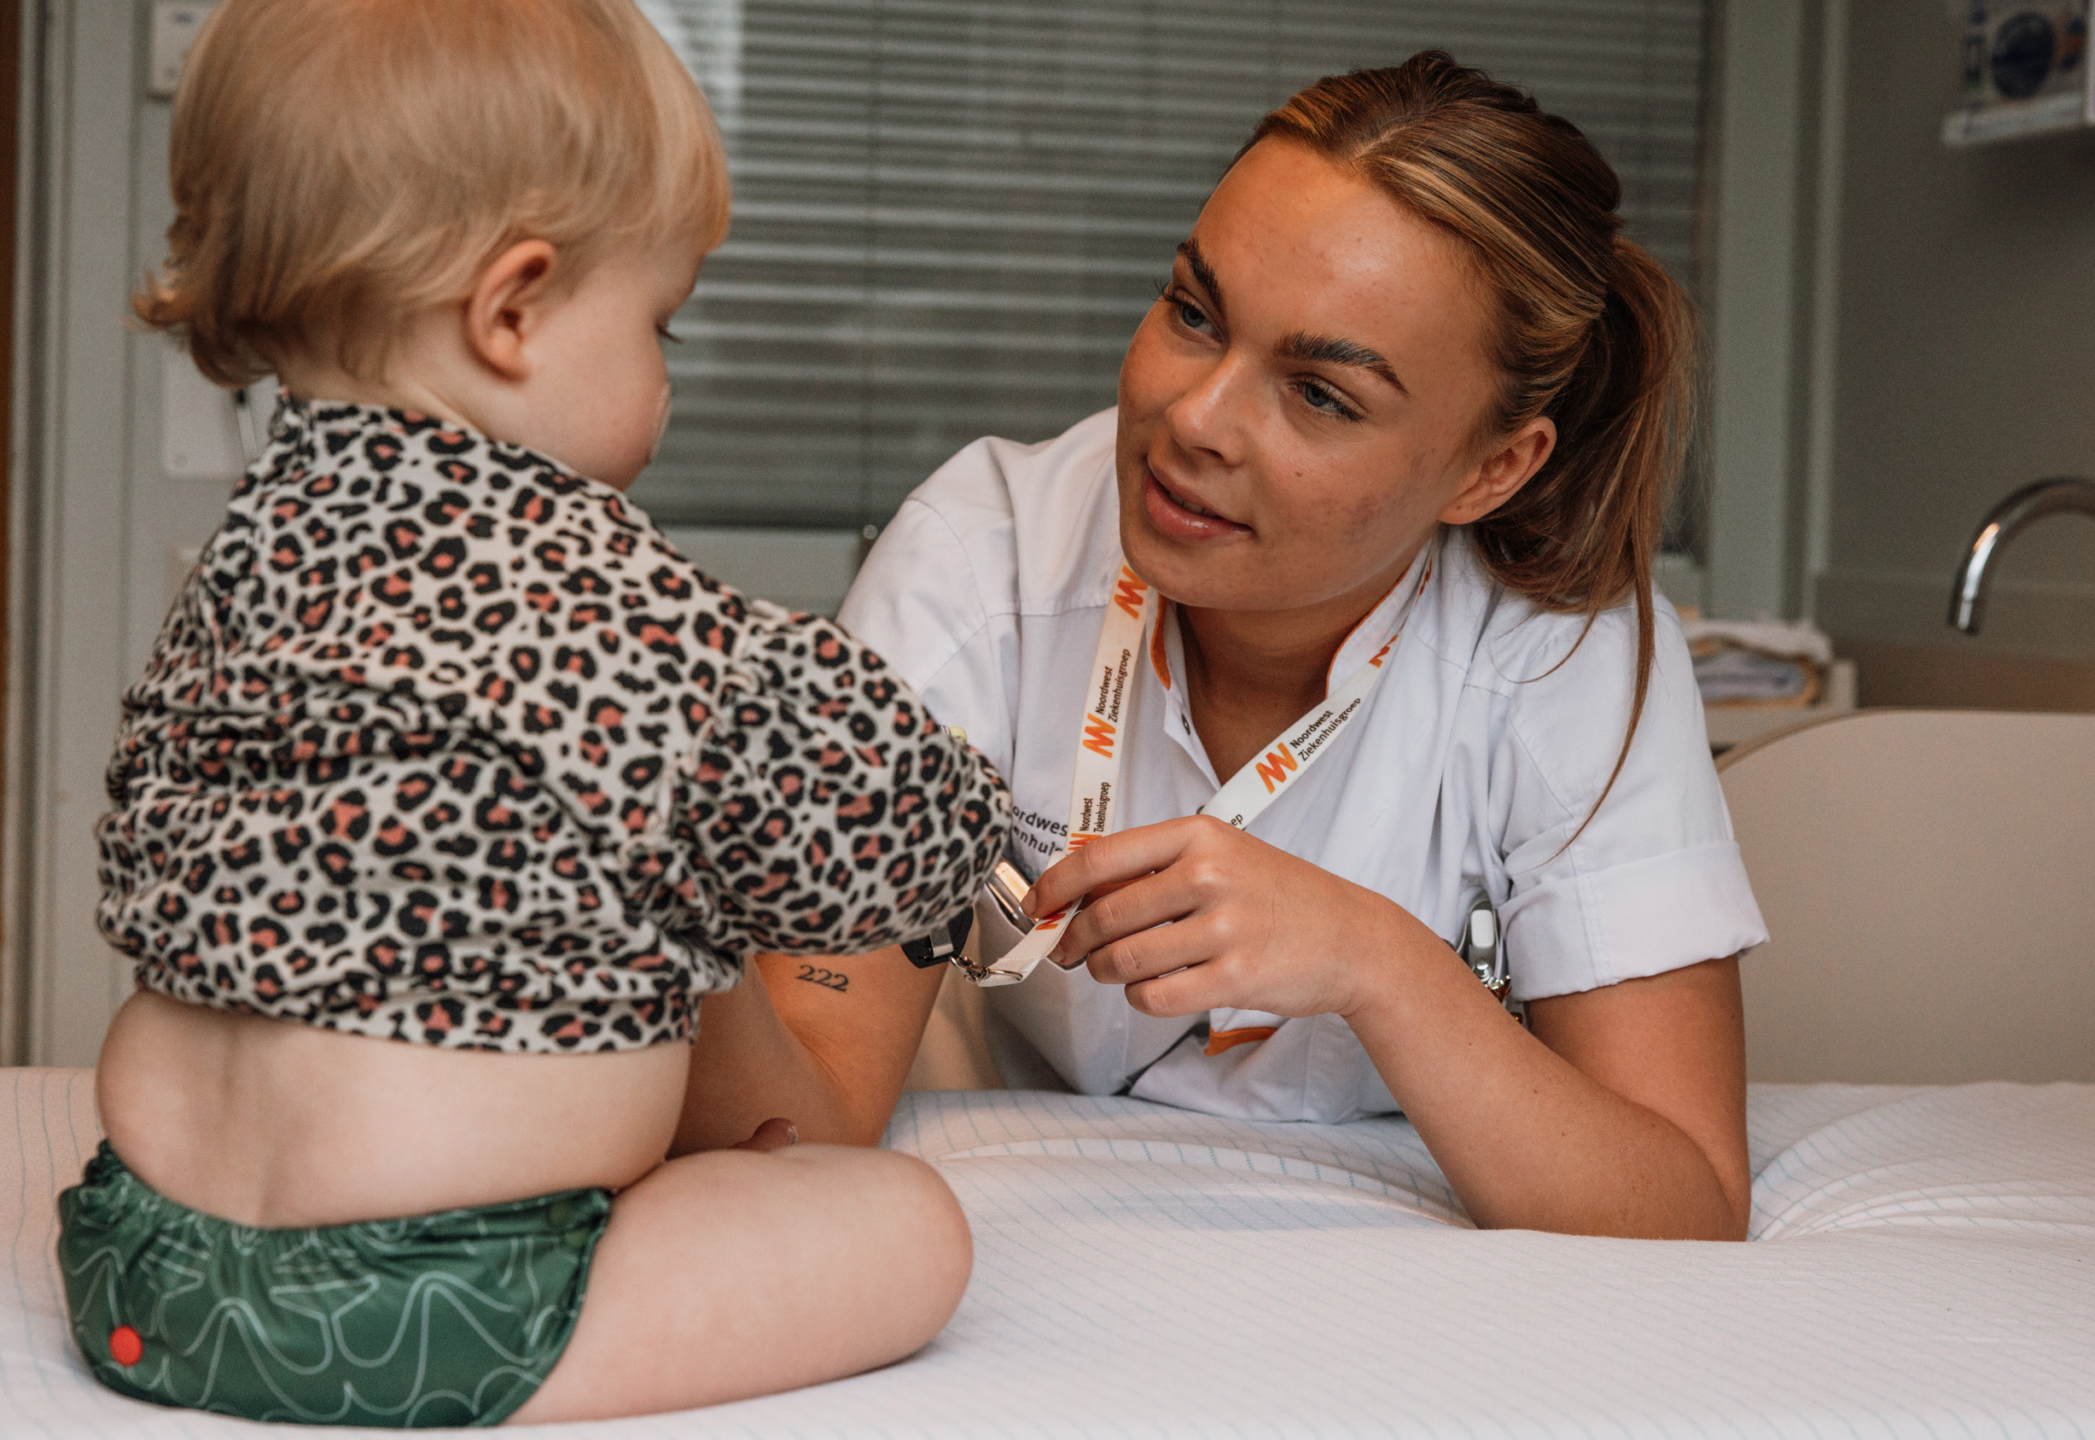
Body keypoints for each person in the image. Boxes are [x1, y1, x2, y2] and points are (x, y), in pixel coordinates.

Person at [57, 0, 1010, 1425]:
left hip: (138, 1264)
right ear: (513, 309)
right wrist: (979, 832)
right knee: (905, 1226)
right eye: (657, 322)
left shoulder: (244, 571)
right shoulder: (630, 611)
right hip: (432, 1310)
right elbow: (876, 819)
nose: (668, 376)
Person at [675, 52, 1768, 1243]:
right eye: (1193, 314)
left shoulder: (1567, 650)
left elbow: (1687, 1207)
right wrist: (661, 901)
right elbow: (802, 1118)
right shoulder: (980, 558)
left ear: (1489, 468)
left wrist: (1378, 962)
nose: (1193, 418)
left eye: (1320, 395)